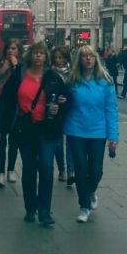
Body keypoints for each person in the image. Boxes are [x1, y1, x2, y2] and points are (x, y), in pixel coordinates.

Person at [0, 41, 67, 226]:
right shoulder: (19, 75)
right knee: (28, 167)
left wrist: (61, 104)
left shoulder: (53, 77)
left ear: (46, 57)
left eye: (42, 53)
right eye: (36, 53)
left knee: (46, 167)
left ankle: (44, 211)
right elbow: (5, 100)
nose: (39, 56)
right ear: (30, 55)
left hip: (47, 128)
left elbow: (67, 98)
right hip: (25, 127)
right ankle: (30, 208)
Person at [64, 45, 119, 224]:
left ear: (96, 59)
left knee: (96, 170)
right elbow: (65, 105)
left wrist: (114, 137)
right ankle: (84, 207)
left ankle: (91, 191)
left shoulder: (105, 82)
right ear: (79, 60)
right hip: (76, 130)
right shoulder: (73, 81)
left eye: (91, 56)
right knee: (80, 169)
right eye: (84, 56)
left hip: (97, 132)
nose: (88, 59)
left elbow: (111, 110)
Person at [0, 38, 24, 187]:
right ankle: (0, 173)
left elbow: (23, 84)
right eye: (8, 48)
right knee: (0, 141)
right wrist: (1, 71)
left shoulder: (22, 67)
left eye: (13, 48)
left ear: (19, 51)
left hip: (15, 109)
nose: (10, 51)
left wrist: (16, 66)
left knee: (14, 142)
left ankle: (11, 170)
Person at [50, 46, 75, 186]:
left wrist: (68, 99)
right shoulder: (50, 73)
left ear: (66, 58)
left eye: (60, 57)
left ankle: (71, 171)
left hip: (70, 111)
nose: (57, 60)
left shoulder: (73, 74)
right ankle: (62, 170)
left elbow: (76, 93)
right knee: (58, 144)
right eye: (56, 58)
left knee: (70, 143)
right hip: (57, 112)